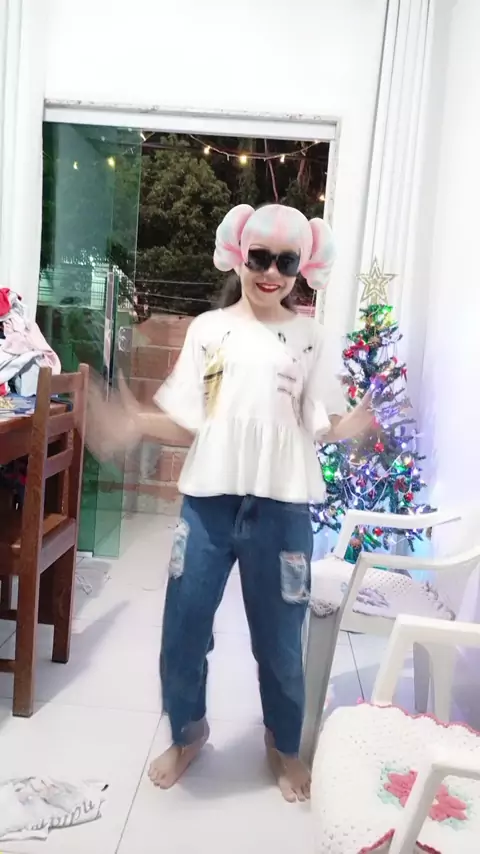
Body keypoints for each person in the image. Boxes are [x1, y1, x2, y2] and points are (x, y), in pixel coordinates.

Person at [84, 203, 374, 803]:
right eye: (260, 257)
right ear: (238, 254)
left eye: (286, 262)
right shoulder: (208, 330)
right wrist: (136, 424)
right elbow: (195, 422)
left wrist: (355, 428)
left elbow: (320, 424)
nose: (270, 273)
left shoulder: (312, 338)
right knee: (183, 629)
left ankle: (283, 743)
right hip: (208, 506)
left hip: (283, 512)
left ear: (303, 267)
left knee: (280, 641)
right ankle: (188, 732)